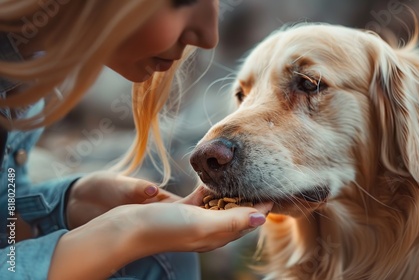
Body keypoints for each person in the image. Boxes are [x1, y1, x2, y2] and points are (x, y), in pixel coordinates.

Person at [0, 0, 272, 279]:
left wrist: (68, 202)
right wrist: (124, 233)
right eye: (183, 2)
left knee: (162, 253)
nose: (208, 37)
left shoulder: (27, 68)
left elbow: (6, 211)